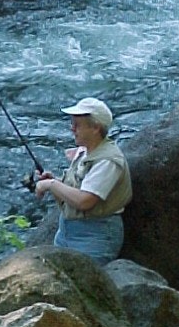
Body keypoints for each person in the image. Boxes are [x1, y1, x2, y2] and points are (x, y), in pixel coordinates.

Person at [35, 97, 132, 266]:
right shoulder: (84, 151)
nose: (72, 129)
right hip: (65, 231)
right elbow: (78, 189)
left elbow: (85, 200)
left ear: (95, 128)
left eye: (77, 125)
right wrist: (55, 181)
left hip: (95, 235)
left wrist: (51, 185)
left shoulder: (108, 160)